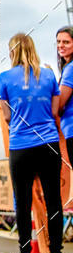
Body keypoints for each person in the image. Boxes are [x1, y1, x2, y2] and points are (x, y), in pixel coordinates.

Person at [0, 32, 67, 253]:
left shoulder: (5, 78)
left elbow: (7, 116)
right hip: (48, 142)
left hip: (20, 145)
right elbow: (55, 111)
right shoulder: (48, 75)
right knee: (53, 201)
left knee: (23, 201)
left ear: (12, 51)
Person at [56, 25, 73, 169]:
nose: (61, 45)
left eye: (66, 42)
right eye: (58, 41)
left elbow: (59, 104)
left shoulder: (70, 69)